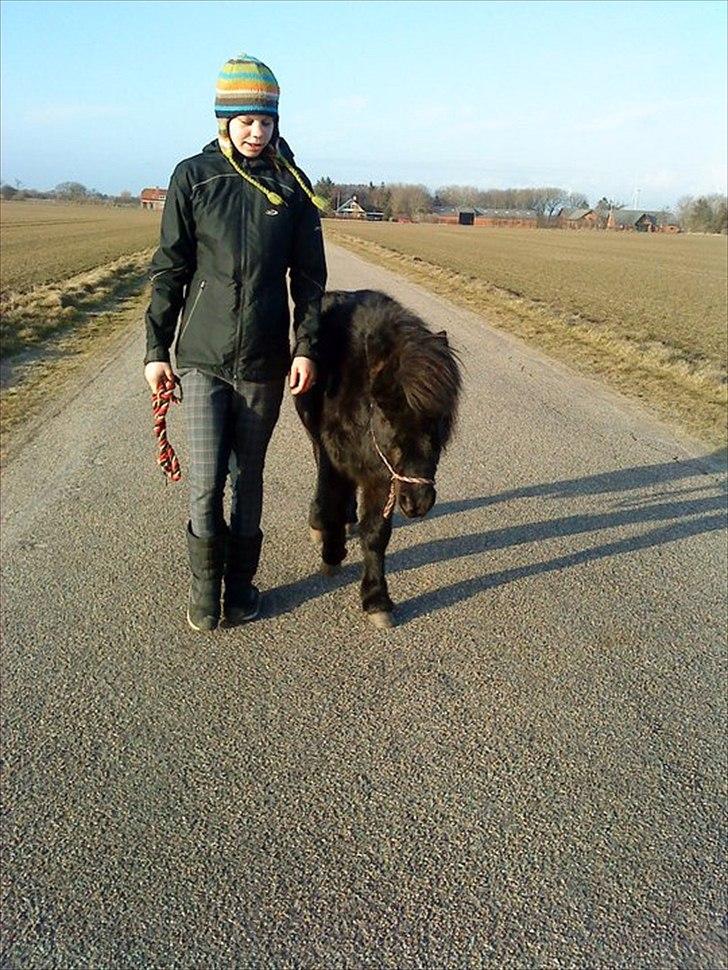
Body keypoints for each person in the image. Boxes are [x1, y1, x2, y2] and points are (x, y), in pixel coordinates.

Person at [143, 54, 328, 632]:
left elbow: (311, 279)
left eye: (266, 121)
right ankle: (205, 589)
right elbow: (169, 269)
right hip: (201, 359)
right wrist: (156, 351)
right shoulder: (193, 178)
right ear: (225, 119)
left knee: (248, 478)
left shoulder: (291, 187)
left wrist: (306, 347)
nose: (257, 131)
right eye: (246, 120)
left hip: (264, 363)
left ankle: (241, 586)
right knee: (204, 481)